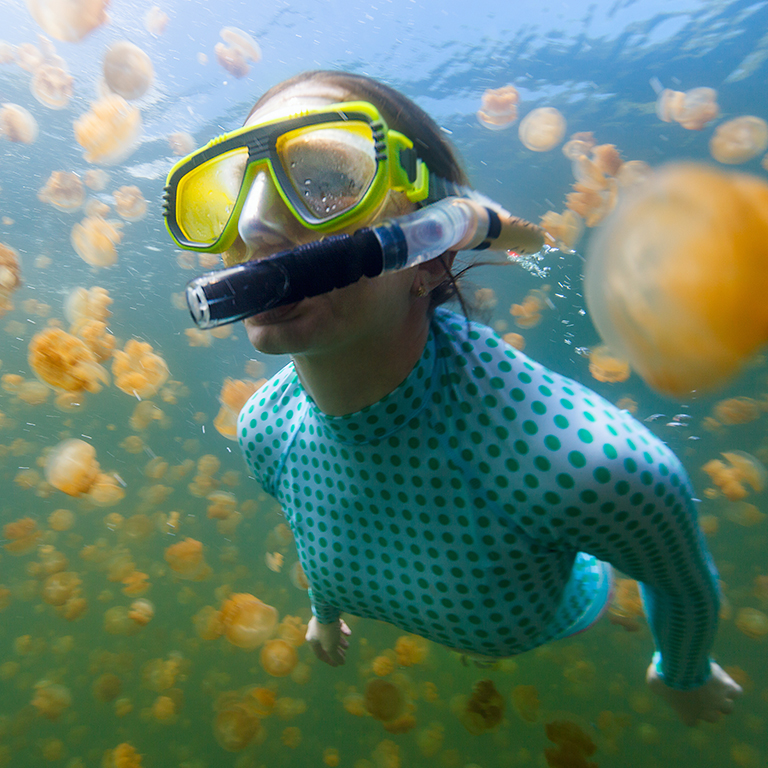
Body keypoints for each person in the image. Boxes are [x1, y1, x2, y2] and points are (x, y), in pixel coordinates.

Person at [163, 70, 741, 726]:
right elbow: (314, 527)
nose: (255, 223)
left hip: (572, 616)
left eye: (324, 180)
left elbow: (680, 586)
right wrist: (325, 615)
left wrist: (685, 674)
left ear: (434, 248)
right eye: (236, 190)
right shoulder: (266, 428)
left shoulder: (587, 465)